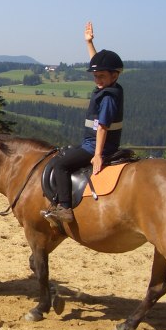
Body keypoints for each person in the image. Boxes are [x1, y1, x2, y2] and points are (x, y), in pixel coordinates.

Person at [44, 22, 125, 223]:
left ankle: (64, 208)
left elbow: (103, 127)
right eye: (95, 76)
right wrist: (89, 43)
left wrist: (97, 155)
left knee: (60, 165)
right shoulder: (111, 86)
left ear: (114, 75)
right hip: (93, 144)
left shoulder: (108, 98)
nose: (97, 80)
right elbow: (99, 65)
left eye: (101, 77)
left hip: (96, 146)